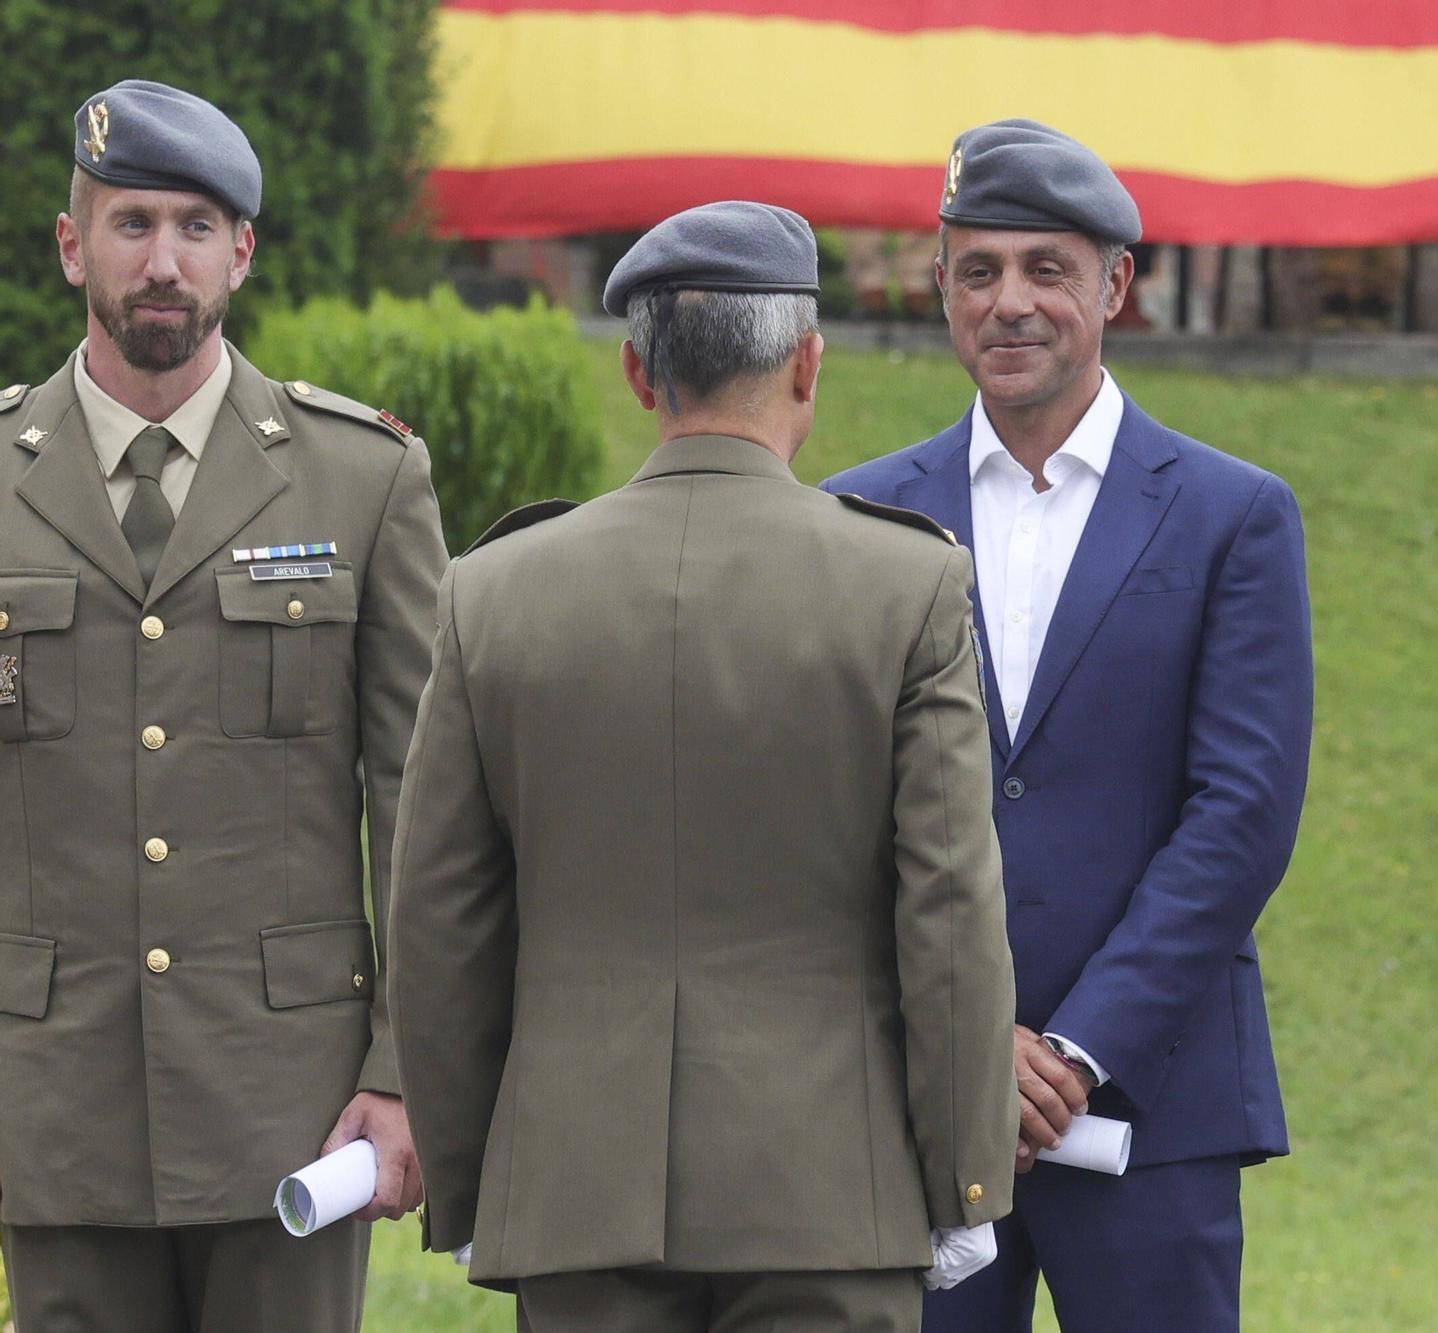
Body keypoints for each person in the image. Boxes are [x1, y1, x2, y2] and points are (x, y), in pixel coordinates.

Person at [387, 200, 1019, 1332]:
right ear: (807, 364)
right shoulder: (904, 586)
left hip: (576, 1186)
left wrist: (477, 1176)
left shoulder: (494, 592)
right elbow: (949, 910)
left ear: (637, 371)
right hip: (829, 1186)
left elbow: (441, 920)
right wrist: (966, 1175)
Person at [821, 120, 1314, 1332]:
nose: (1010, 302)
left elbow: (1240, 816)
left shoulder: (1230, 515)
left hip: (1153, 1101)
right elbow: (834, 813)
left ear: (1114, 284)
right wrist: (967, 1042)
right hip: (918, 1105)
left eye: (1047, 268)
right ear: (940, 288)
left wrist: (1076, 1050)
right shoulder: (857, 516)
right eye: (977, 270)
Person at [0, 81, 446, 1330]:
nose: (162, 260)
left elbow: (427, 802)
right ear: (70, 241)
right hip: (49, 1093)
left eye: (196, 226)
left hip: (286, 1102)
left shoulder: (364, 479)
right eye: (130, 222)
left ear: (241, 252)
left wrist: (404, 1075)